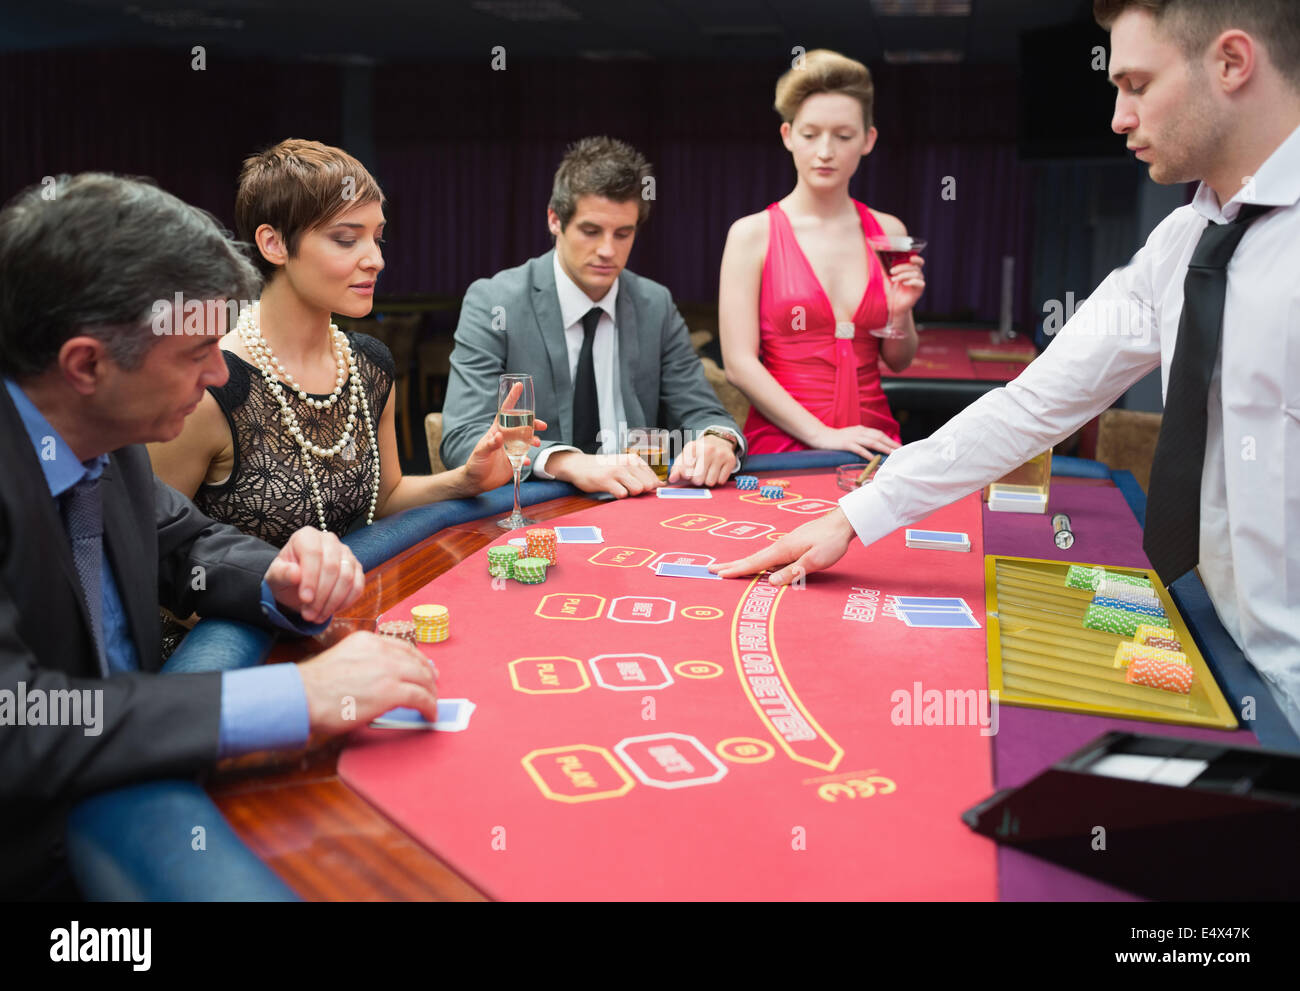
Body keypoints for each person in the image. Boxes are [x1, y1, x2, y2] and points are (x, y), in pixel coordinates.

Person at [714, 0, 1300, 736]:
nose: (1118, 116)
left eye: (1138, 84)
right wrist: (857, 515)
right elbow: (1032, 405)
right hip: (1215, 653)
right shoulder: (1182, 245)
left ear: (1232, 62)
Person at [0, 173, 440, 898]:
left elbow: (187, 542)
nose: (218, 372)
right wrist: (293, 696)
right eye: (196, 351)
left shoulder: (108, 434)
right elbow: (22, 722)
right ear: (87, 363)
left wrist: (279, 574)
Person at [148, 139, 542, 546]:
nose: (376, 259)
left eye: (377, 238)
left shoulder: (368, 365)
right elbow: (152, 555)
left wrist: (465, 480)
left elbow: (384, 499)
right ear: (274, 244)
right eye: (346, 239)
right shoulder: (208, 387)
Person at [440, 136, 745, 498]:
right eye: (590, 231)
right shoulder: (494, 301)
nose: (607, 251)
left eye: (623, 234)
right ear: (555, 219)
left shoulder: (654, 303)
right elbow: (463, 437)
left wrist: (717, 439)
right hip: (538, 503)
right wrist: (566, 461)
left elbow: (702, 411)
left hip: (636, 502)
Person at [718, 49, 925, 459]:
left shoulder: (889, 231)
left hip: (873, 440)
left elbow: (898, 362)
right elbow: (739, 364)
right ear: (787, 136)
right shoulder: (751, 234)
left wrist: (899, 314)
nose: (825, 151)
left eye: (843, 136)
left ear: (868, 140)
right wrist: (821, 435)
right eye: (810, 134)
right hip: (783, 443)